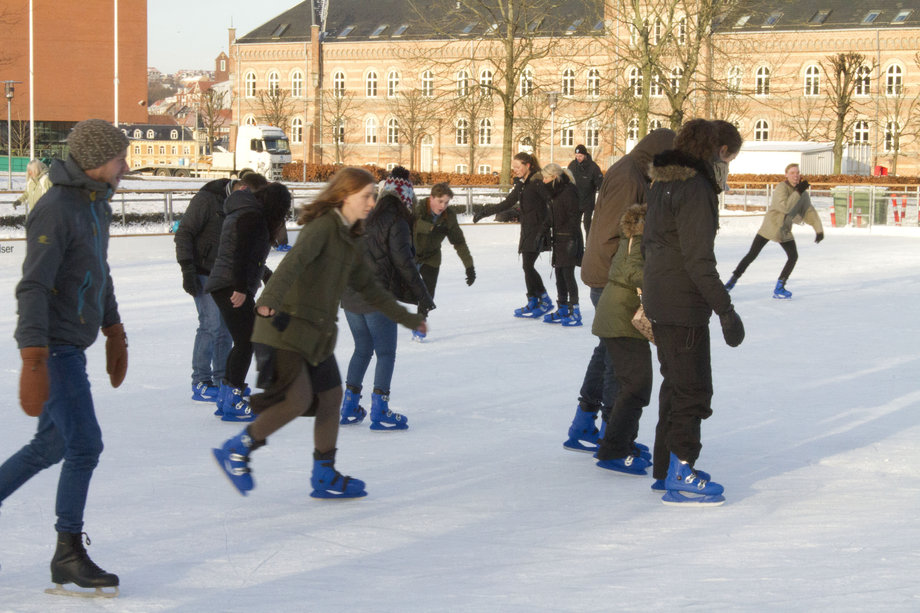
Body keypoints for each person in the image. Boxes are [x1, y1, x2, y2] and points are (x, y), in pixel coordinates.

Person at [212, 167, 428, 498]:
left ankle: (324, 474)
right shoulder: (323, 227)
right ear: (345, 196)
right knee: (297, 399)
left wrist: (408, 318)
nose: (372, 202)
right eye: (366, 196)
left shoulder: (349, 236)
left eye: (373, 196)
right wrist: (268, 301)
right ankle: (236, 450)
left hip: (317, 333)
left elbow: (370, 289)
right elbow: (293, 262)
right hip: (286, 325)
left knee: (331, 397)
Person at [0, 119, 130, 596]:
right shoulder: (56, 208)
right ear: (96, 161)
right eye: (119, 158)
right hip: (54, 347)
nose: (125, 166)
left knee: (50, 447)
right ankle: (68, 552)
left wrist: (113, 328)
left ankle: (67, 553)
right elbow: (33, 286)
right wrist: (34, 356)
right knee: (84, 446)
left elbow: (99, 271)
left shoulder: (96, 205)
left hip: (73, 342)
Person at [643, 118, 746, 506]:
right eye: (729, 159)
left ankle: (665, 468)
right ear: (720, 151)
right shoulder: (696, 189)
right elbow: (698, 259)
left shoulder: (662, 183)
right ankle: (681, 471)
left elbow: (651, 244)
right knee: (692, 390)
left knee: (674, 385)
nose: (727, 168)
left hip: (661, 297)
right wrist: (726, 310)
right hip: (683, 302)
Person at [562, 129, 675, 453]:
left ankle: (584, 424)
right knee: (619, 360)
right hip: (611, 276)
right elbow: (618, 233)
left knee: (607, 351)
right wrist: (630, 277)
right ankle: (612, 435)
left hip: (608, 272)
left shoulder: (633, 171)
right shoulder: (629, 177)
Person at [340, 166, 434, 430]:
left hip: (350, 294)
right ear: (407, 199)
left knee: (362, 348)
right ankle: (380, 410)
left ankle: (349, 406)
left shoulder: (363, 215)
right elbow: (404, 262)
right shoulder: (398, 222)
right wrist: (423, 295)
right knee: (385, 352)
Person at [174, 172, 266, 403]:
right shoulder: (208, 199)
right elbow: (184, 233)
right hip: (203, 271)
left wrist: (261, 272)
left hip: (226, 275)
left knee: (226, 329)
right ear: (243, 189)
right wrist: (187, 269)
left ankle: (224, 380)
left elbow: (239, 247)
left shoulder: (243, 209)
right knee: (211, 324)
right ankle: (201, 381)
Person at [204, 182, 292, 421]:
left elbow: (251, 255)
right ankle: (232, 397)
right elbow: (241, 253)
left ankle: (227, 395)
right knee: (246, 340)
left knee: (244, 339)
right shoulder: (252, 216)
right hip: (230, 286)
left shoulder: (245, 212)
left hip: (226, 283)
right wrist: (241, 287)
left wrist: (262, 276)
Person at [592, 204, 655, 475]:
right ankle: (614, 450)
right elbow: (631, 272)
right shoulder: (638, 237)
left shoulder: (639, 236)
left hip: (623, 315)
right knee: (635, 385)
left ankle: (623, 442)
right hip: (620, 316)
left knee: (635, 384)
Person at [724, 163, 824, 299]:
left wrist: (818, 230)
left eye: (797, 173)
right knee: (752, 254)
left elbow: (808, 211)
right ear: (786, 175)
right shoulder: (781, 188)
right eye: (792, 173)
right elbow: (785, 207)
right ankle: (732, 281)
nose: (795, 175)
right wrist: (798, 192)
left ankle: (780, 287)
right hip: (771, 227)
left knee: (793, 256)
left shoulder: (802, 193)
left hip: (784, 229)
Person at [472, 151, 553, 318]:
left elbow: (551, 202)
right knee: (526, 266)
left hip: (538, 230)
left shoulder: (537, 182)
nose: (515, 170)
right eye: (513, 167)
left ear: (527, 165)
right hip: (527, 229)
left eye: (517, 167)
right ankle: (533, 300)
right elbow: (507, 202)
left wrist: (548, 225)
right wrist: (484, 212)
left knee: (528, 265)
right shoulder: (523, 185)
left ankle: (544, 300)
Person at [410, 182, 476, 341]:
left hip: (431, 257)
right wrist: (431, 228)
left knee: (428, 294)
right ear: (431, 198)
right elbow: (412, 224)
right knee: (396, 287)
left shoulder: (449, 216)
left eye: (446, 202)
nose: (443, 206)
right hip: (410, 254)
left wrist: (469, 267)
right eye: (440, 201)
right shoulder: (419, 207)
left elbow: (459, 242)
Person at [540, 163, 584, 326]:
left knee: (568, 275)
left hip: (569, 239)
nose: (543, 181)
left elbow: (574, 216)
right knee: (559, 275)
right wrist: (542, 230)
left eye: (546, 178)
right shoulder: (555, 192)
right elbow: (552, 216)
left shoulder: (568, 191)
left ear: (554, 177)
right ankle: (563, 308)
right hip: (558, 238)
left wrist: (572, 239)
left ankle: (575, 311)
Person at [567, 144, 604, 237]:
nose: (578, 158)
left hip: (588, 201)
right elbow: (567, 180)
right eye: (576, 156)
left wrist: (601, 193)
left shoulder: (593, 167)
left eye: (580, 156)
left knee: (587, 224)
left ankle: (589, 242)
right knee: (574, 224)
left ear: (585, 155)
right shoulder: (572, 165)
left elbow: (600, 183)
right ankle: (576, 242)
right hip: (575, 200)